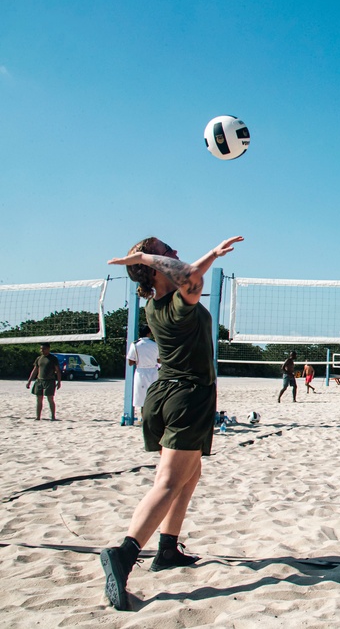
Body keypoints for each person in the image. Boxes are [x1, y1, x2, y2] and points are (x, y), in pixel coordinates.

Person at [101, 235, 242, 611]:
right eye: (168, 251)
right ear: (155, 266)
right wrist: (152, 255)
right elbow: (191, 276)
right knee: (167, 481)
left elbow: (185, 274)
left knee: (189, 474)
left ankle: (168, 548)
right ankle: (125, 555)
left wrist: (149, 259)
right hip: (186, 397)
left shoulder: (154, 304)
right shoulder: (180, 301)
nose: (176, 253)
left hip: (166, 394)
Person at [127, 325, 159, 414]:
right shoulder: (155, 344)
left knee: (142, 399)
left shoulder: (135, 344)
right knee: (153, 396)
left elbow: (130, 362)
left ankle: (143, 417)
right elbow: (159, 359)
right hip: (153, 371)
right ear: (149, 333)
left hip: (140, 371)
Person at [26, 342, 61, 420]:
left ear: (48, 349)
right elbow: (35, 370)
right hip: (39, 380)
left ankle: (53, 416)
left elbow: (58, 370)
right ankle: (38, 417)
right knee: (39, 399)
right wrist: (29, 381)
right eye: (41, 349)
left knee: (50, 398)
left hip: (50, 381)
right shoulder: (39, 358)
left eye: (44, 349)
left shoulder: (53, 358)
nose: (42, 350)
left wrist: (59, 382)